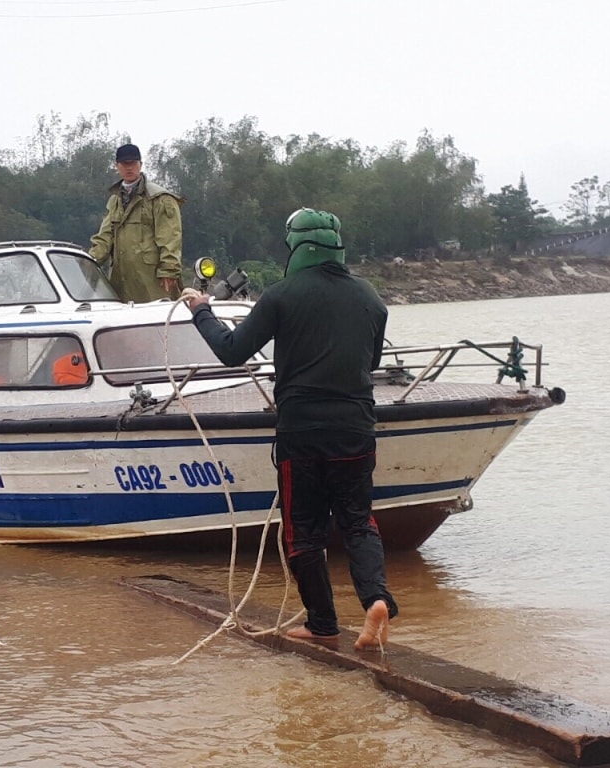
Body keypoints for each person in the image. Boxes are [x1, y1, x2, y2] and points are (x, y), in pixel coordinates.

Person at [184, 207, 398, 651]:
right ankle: (375, 599)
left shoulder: (282, 296)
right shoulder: (370, 298)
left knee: (302, 532)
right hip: (356, 430)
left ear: (296, 246)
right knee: (359, 523)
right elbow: (371, 363)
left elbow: (231, 351)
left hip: (302, 435)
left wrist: (202, 310)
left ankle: (323, 624)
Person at [88, 143, 183, 303]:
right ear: (117, 166)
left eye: (133, 163)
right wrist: (89, 262)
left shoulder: (159, 198)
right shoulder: (115, 200)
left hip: (152, 279)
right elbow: (105, 237)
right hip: (121, 280)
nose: (129, 168)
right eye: (125, 164)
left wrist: (169, 269)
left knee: (157, 322)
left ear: (140, 164)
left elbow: (170, 237)